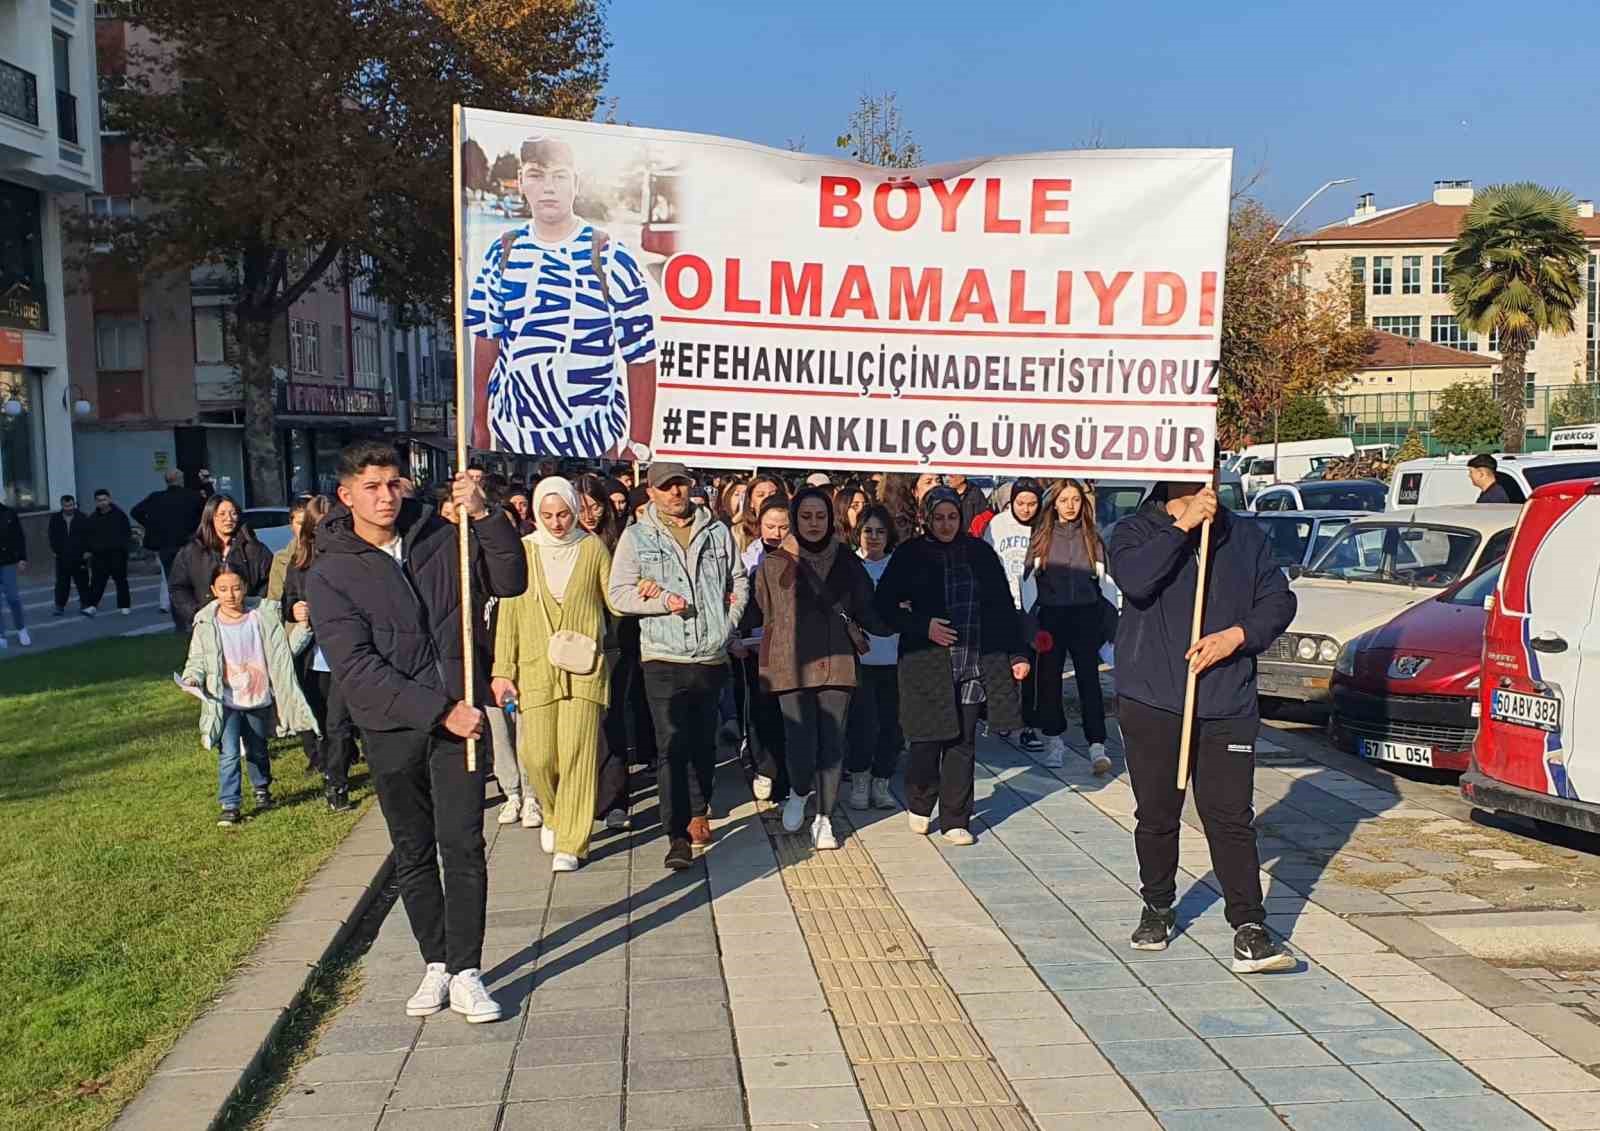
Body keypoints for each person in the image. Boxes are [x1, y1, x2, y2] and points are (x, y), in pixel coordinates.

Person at [307, 442, 527, 1023]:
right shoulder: (330, 572)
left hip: (462, 720)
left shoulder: (441, 536)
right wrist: (436, 709)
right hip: (393, 726)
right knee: (412, 847)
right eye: (372, 487)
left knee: (463, 842)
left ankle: (469, 969)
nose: (385, 496)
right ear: (346, 495)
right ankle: (437, 961)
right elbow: (355, 667)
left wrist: (484, 515)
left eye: (393, 484)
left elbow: (510, 581)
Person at [1107, 482, 1296, 973]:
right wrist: (1183, 526)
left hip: (1226, 699)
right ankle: (1158, 905)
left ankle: (1249, 927)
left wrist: (1237, 636)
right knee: (1156, 812)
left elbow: (1279, 602)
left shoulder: (1244, 537)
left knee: (1231, 816)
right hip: (1152, 698)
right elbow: (1135, 581)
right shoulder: (1133, 531)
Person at [467, 135, 658, 459]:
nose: (548, 187)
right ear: (522, 182)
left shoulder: (610, 255)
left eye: (559, 176)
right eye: (536, 175)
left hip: (594, 443)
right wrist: (480, 425)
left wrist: (638, 443)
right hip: (517, 439)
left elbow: (640, 352)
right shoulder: (502, 253)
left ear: (575, 183)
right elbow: (487, 343)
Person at [608, 461, 748, 870]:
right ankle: (676, 833)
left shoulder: (717, 531)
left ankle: (700, 807)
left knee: (702, 740)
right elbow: (618, 594)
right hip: (662, 655)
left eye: (680, 486)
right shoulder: (637, 537)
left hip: (709, 654)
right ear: (650, 492)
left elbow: (737, 580)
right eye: (666, 487)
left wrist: (728, 622)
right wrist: (657, 602)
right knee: (671, 744)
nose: (675, 493)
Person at [875, 488, 1029, 846]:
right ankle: (920, 800)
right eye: (939, 517)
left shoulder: (980, 553)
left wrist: (1017, 653)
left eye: (952, 517)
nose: (946, 524)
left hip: (974, 660)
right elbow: (883, 605)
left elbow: (1003, 607)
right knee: (927, 740)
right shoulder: (910, 554)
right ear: (927, 518)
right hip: (927, 662)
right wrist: (921, 624)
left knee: (963, 740)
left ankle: (956, 818)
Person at [492, 478, 616, 872]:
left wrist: (648, 592)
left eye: (563, 513)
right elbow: (508, 614)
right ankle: (553, 811)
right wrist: (502, 671)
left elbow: (613, 599)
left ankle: (572, 840)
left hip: (584, 668)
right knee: (538, 754)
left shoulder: (592, 548)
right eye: (547, 515)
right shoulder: (523, 552)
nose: (557, 522)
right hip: (534, 669)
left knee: (579, 753)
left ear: (574, 510)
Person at [753, 487, 887, 849]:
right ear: (795, 519)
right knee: (799, 740)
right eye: (806, 516)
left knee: (832, 743)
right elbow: (765, 606)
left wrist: (905, 620)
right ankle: (798, 792)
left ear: (831, 519)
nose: (813, 523)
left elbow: (866, 607)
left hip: (837, 660)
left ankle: (825, 817)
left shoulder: (847, 559)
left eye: (820, 516)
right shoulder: (774, 561)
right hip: (789, 663)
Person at [180, 566, 317, 827]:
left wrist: (303, 627)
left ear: (244, 587)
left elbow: (284, 653)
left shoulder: (262, 616)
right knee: (229, 752)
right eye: (222, 589)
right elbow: (197, 658)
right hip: (224, 701)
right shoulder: (206, 623)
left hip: (257, 698)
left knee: (256, 748)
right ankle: (230, 804)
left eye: (235, 587)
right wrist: (192, 677)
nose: (230, 595)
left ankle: (262, 789)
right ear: (213, 591)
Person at [1023, 481, 1112, 772]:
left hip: (1085, 616)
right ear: (1055, 504)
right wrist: (1032, 625)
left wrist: (1109, 624)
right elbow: (1027, 586)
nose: (1070, 505)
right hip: (1051, 616)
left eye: (1075, 500)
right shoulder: (1042, 538)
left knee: (1089, 681)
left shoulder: (1092, 538)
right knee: (1049, 682)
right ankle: (1054, 741)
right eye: (1064, 500)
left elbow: (1107, 584)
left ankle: (1097, 745)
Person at [281, 496, 358, 811]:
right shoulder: (300, 563)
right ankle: (331, 766)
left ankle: (336, 785)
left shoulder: (353, 557)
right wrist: (294, 609)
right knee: (325, 721)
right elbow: (286, 600)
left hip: (348, 652)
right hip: (316, 656)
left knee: (339, 722)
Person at [575, 472, 633, 829]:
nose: (588, 514)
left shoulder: (619, 542)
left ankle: (614, 798)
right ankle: (580, 794)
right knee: (580, 726)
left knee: (611, 722)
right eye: (581, 506)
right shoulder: (565, 543)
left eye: (594, 505)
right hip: (573, 643)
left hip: (613, 642)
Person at [846, 504, 901, 811]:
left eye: (881, 531)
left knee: (891, 726)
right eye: (868, 531)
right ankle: (860, 780)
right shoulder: (851, 565)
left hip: (894, 657)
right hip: (860, 660)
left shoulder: (899, 565)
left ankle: (882, 782)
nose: (874, 538)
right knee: (862, 725)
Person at [736, 497, 791, 803]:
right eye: (770, 526)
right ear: (759, 526)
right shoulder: (748, 560)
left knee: (787, 714)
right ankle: (763, 766)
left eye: (784, 526)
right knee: (760, 710)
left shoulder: (800, 557)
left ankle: (784, 777)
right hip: (756, 645)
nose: (776, 533)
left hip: (792, 649)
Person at [983, 479, 1043, 749]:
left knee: (1030, 665)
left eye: (1032, 504)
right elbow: (985, 559)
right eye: (1021, 503)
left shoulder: (1043, 526)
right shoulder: (997, 525)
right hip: (1001, 603)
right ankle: (1004, 717)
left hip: (1033, 605)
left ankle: (1029, 724)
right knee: (1003, 662)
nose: (1027, 509)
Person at [169, 494, 273, 632]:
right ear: (211, 516)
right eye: (222, 514)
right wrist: (196, 614)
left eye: (233, 513)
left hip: (246, 623)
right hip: (207, 626)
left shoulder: (255, 549)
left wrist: (252, 609)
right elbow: (178, 587)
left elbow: (268, 583)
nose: (228, 519)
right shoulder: (192, 551)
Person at [132, 469, 204, 619]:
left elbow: (136, 511)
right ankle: (193, 613)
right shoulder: (192, 497)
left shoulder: (156, 498)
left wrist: (151, 525)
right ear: (179, 479)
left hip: (165, 545)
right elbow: (205, 514)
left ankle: (178, 618)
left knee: (173, 582)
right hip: (187, 543)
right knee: (192, 579)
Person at [81, 488, 134, 617]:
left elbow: (126, 534)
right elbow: (88, 536)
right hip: (99, 556)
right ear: (96, 502)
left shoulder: (119, 515)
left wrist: (123, 549)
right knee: (97, 581)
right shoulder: (93, 518)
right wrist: (89, 550)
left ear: (109, 499)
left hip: (117, 554)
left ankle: (124, 606)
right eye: (99, 500)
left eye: (104, 499)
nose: (102, 502)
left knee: (121, 580)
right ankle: (92, 605)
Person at [48, 495, 90, 618]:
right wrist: (55, 550)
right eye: (66, 506)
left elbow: (89, 536)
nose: (68, 508)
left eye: (71, 505)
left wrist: (88, 551)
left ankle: (85, 604)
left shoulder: (82, 518)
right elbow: (52, 535)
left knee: (82, 582)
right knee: (62, 583)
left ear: (74, 504)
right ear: (62, 505)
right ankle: (60, 606)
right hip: (62, 556)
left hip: (80, 556)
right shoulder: (55, 519)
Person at [266, 497, 311, 602]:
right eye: (300, 523)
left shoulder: (327, 554)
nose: (304, 528)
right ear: (291, 524)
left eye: (308, 523)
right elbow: (274, 601)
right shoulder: (281, 558)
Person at [735, 475, 789, 553]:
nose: (767, 499)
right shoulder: (738, 533)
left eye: (773, 495)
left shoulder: (794, 532)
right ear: (751, 502)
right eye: (761, 495)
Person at [0, 496, 27, 648]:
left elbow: (19, 536)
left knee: (13, 598)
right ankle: (1, 634)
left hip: (8, 561)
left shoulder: (9, 513)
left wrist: (22, 558)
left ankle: (21, 629)